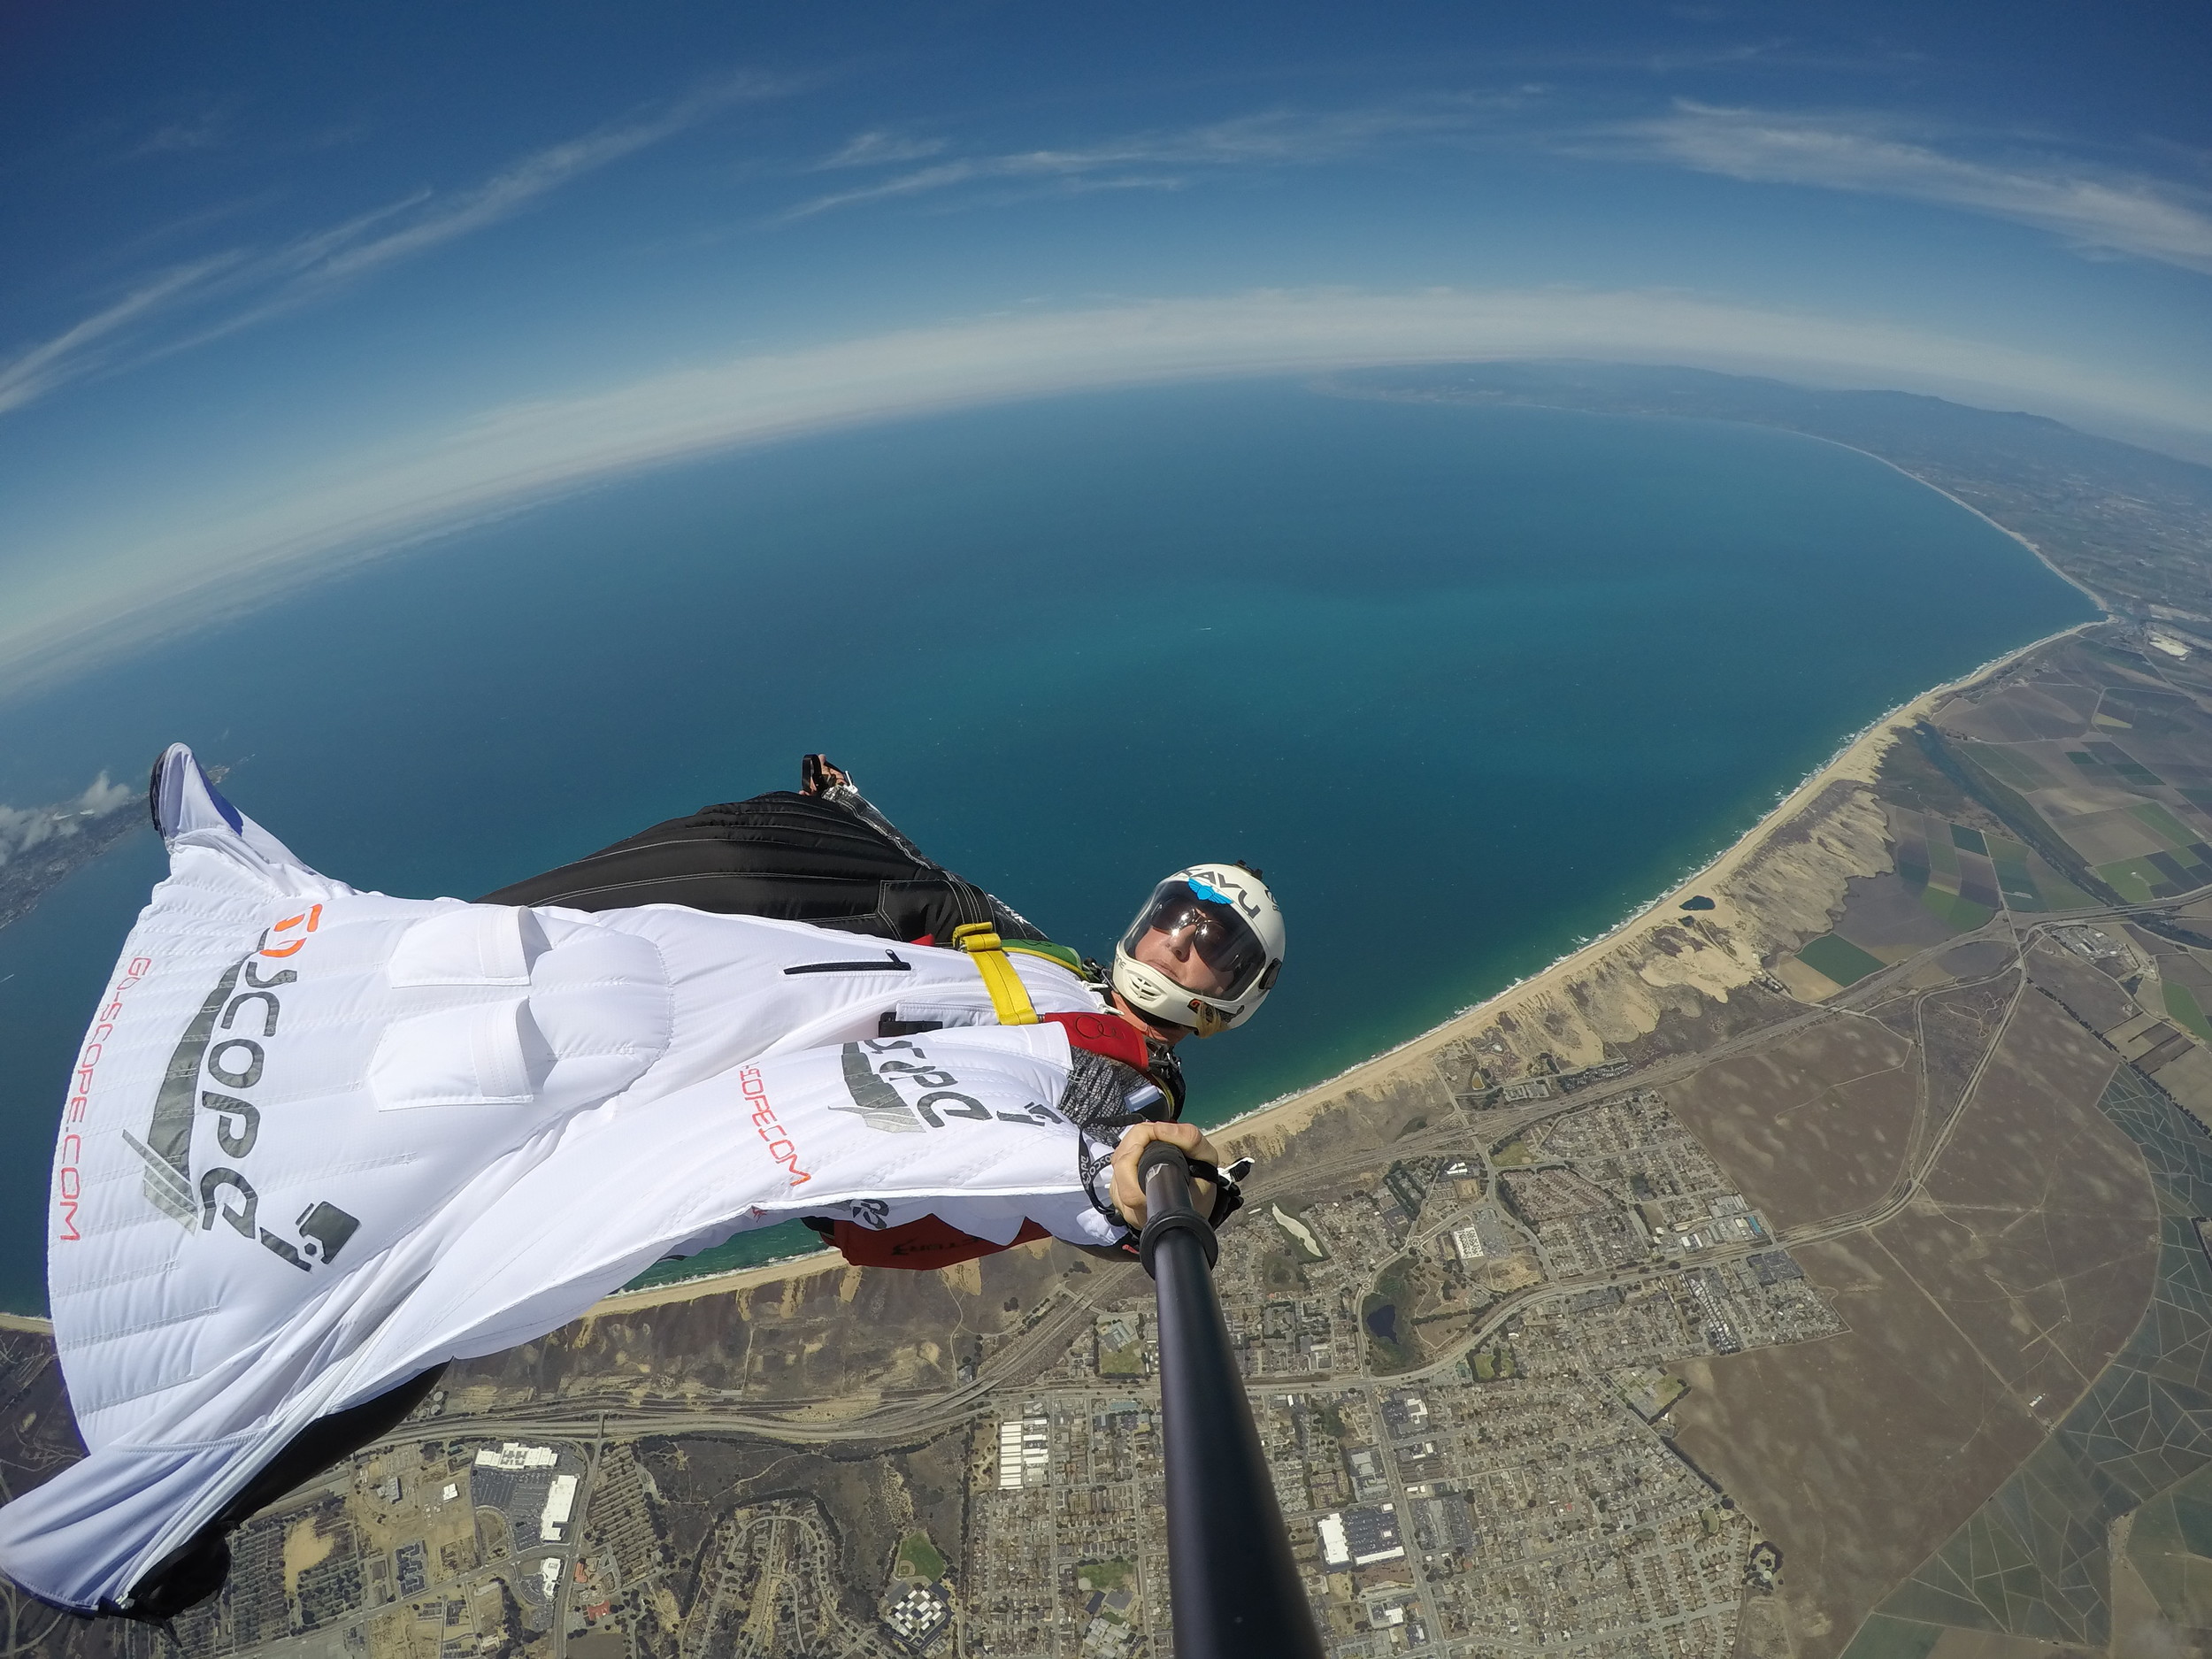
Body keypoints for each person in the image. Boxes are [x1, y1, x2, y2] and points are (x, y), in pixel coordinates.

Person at [0, 748, 1281, 1621]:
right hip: (764, 1023)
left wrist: (1127, 1196)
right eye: (1183, 911)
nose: (1183, 938)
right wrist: (863, 826)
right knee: (505, 1010)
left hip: (773, 1100)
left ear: (1230, 1000)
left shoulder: (1136, 1094)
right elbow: (964, 924)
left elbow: (1082, 1165)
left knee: (484, 1261)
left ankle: (156, 1508)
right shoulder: (1052, 965)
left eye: (1215, 947)